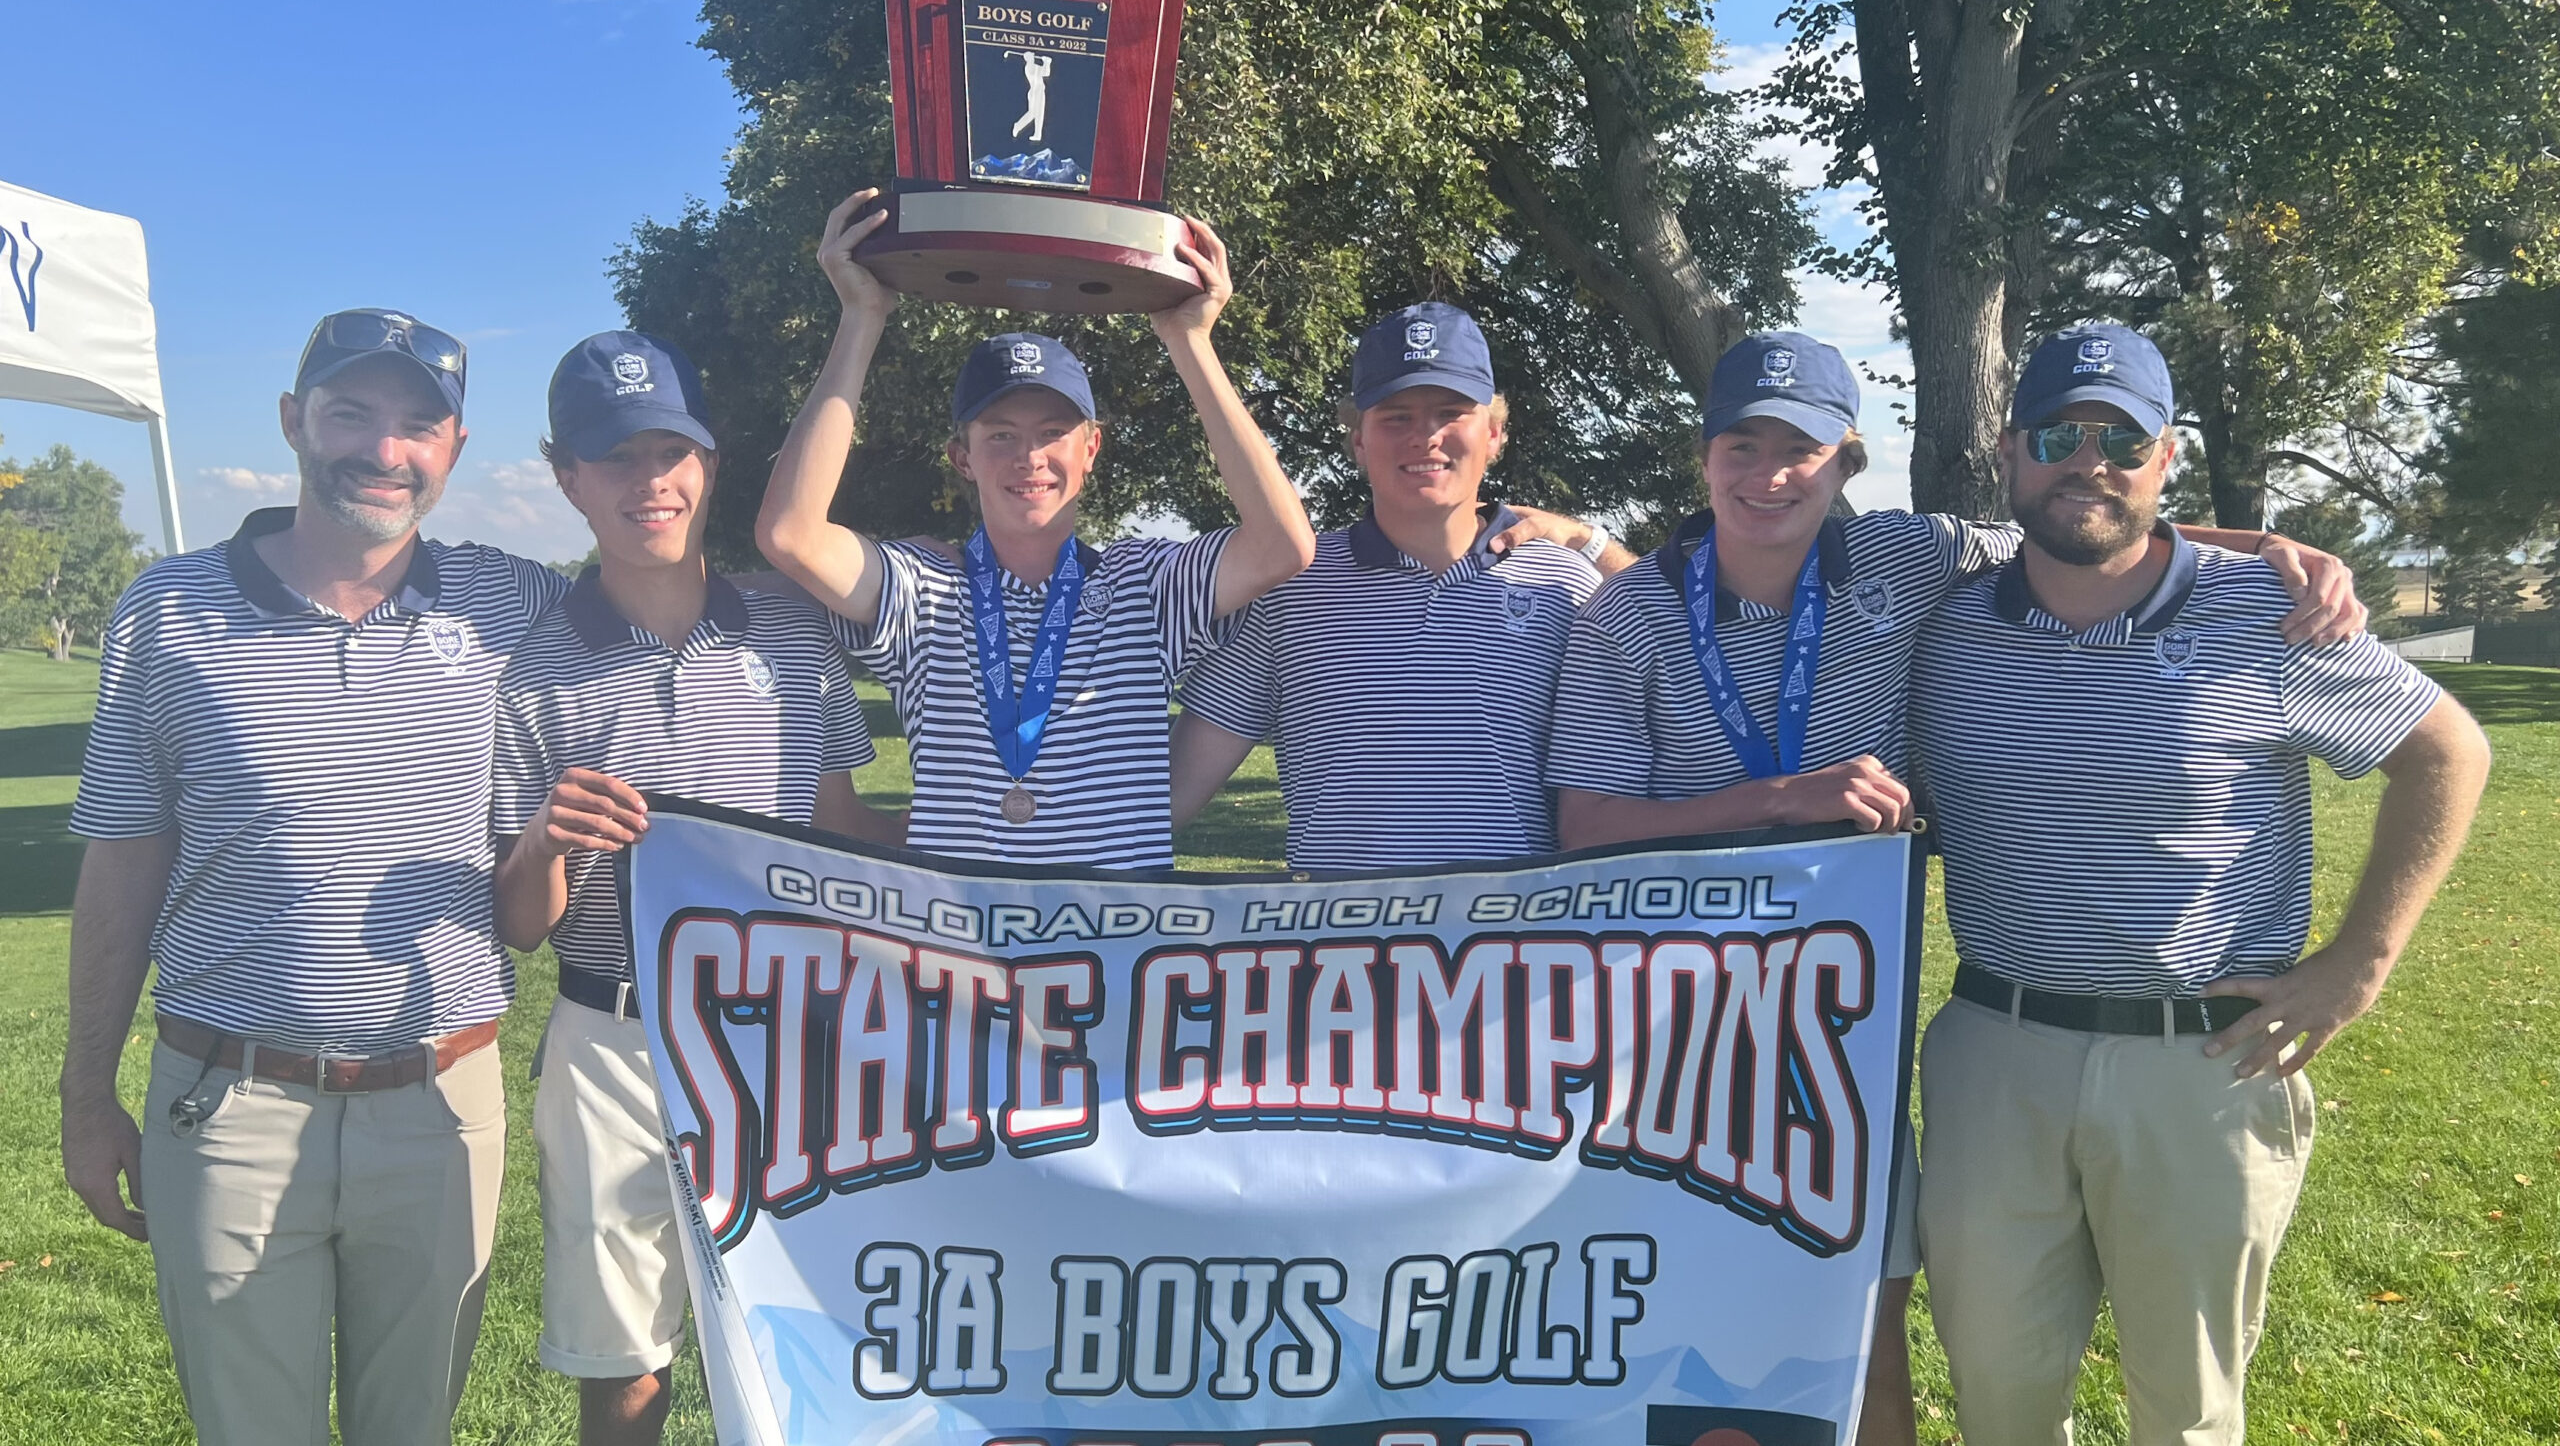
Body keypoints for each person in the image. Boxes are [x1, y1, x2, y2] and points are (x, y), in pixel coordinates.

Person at [1545, 329, 2370, 1446]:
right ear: (1703, 458)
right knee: (1676, 1297)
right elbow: (1586, 824)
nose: (1768, 473)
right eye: (1743, 443)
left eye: (1802, 448)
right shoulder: (1629, 613)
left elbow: (2080, 522)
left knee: (1867, 1311)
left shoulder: (1911, 556)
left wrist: (2270, 543)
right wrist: (1782, 797)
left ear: (1845, 465)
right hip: (1666, 1023)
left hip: (1842, 1018)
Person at [1907, 327, 2491, 1446]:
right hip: (1994, 1049)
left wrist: (2356, 966)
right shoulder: (1942, 618)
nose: (2089, 460)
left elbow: (2448, 751)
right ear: (2008, 449)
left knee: (2186, 1412)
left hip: (2205, 1063)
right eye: (2058, 434)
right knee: (1997, 1397)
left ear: (2163, 453)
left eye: (2120, 436)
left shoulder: (2269, 613)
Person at [58, 309, 568, 1446]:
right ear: (294, 422)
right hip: (228, 1100)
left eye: (416, 426)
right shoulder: (166, 609)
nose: (383, 451)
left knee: (413, 1430)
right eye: (350, 414)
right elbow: (123, 860)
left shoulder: (510, 603)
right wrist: (86, 1093)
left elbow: (663, 597)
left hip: (440, 1104)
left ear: (454, 446)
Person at [489, 331, 896, 1444]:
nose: (648, 481)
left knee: (808, 1345)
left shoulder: (796, 625)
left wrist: (1009, 859)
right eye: (613, 457)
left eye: (672, 450)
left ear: (710, 463)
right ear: (565, 474)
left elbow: (842, 824)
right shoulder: (533, 664)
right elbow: (522, 925)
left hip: (791, 1028)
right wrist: (542, 846)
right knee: (624, 1366)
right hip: (612, 1043)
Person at [755, 189, 1316, 867]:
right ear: (961, 456)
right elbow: (789, 532)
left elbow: (1284, 543)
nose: (1030, 457)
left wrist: (1189, 340)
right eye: (1001, 435)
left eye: (1054, 433)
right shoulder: (921, 590)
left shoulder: (1146, 587)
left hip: (1110, 956)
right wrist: (862, 317)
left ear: (1092, 450)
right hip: (958, 957)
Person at [1169, 301, 1636, 867]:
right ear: (1358, 440)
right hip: (1344, 943)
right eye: (1396, 416)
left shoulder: (1564, 577)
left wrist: (1588, 541)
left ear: (1493, 434)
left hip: (1519, 940)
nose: (1426, 437)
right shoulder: (1292, 588)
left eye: (1450, 413)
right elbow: (1173, 790)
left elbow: (1669, 641)